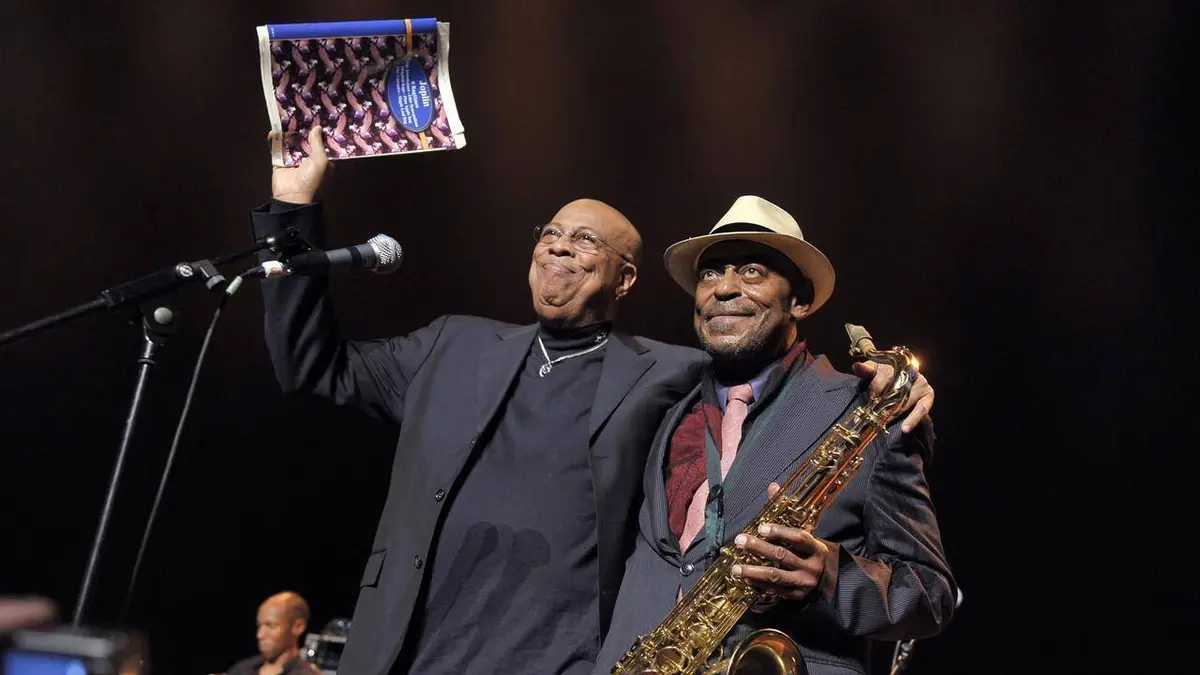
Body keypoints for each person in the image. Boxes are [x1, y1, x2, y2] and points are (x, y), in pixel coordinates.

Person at [249, 127, 937, 675]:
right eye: (549, 233)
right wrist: (292, 207)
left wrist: (894, 388)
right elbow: (311, 365)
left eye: (585, 240)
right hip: (410, 653)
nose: (559, 248)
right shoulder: (451, 345)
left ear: (625, 277)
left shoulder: (670, 372)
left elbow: (770, 366)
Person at [594, 196, 957, 675]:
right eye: (710, 273)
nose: (724, 289)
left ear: (799, 301)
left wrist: (830, 576)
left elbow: (930, 595)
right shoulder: (665, 407)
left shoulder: (870, 412)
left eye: (751, 271)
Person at [224, 591, 320, 675]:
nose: (260, 635)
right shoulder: (242, 669)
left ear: (298, 627)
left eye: (270, 626)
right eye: (259, 626)